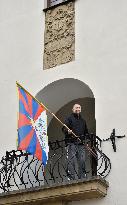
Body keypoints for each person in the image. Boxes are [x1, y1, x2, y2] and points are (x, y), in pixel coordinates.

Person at [62, 104, 89, 180]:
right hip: (71, 143)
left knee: (82, 161)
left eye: (79, 107)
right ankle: (71, 178)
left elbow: (86, 132)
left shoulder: (83, 121)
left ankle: (82, 178)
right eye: (76, 107)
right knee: (72, 160)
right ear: (73, 109)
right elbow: (64, 128)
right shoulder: (69, 118)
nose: (78, 109)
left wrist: (86, 140)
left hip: (80, 144)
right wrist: (68, 131)